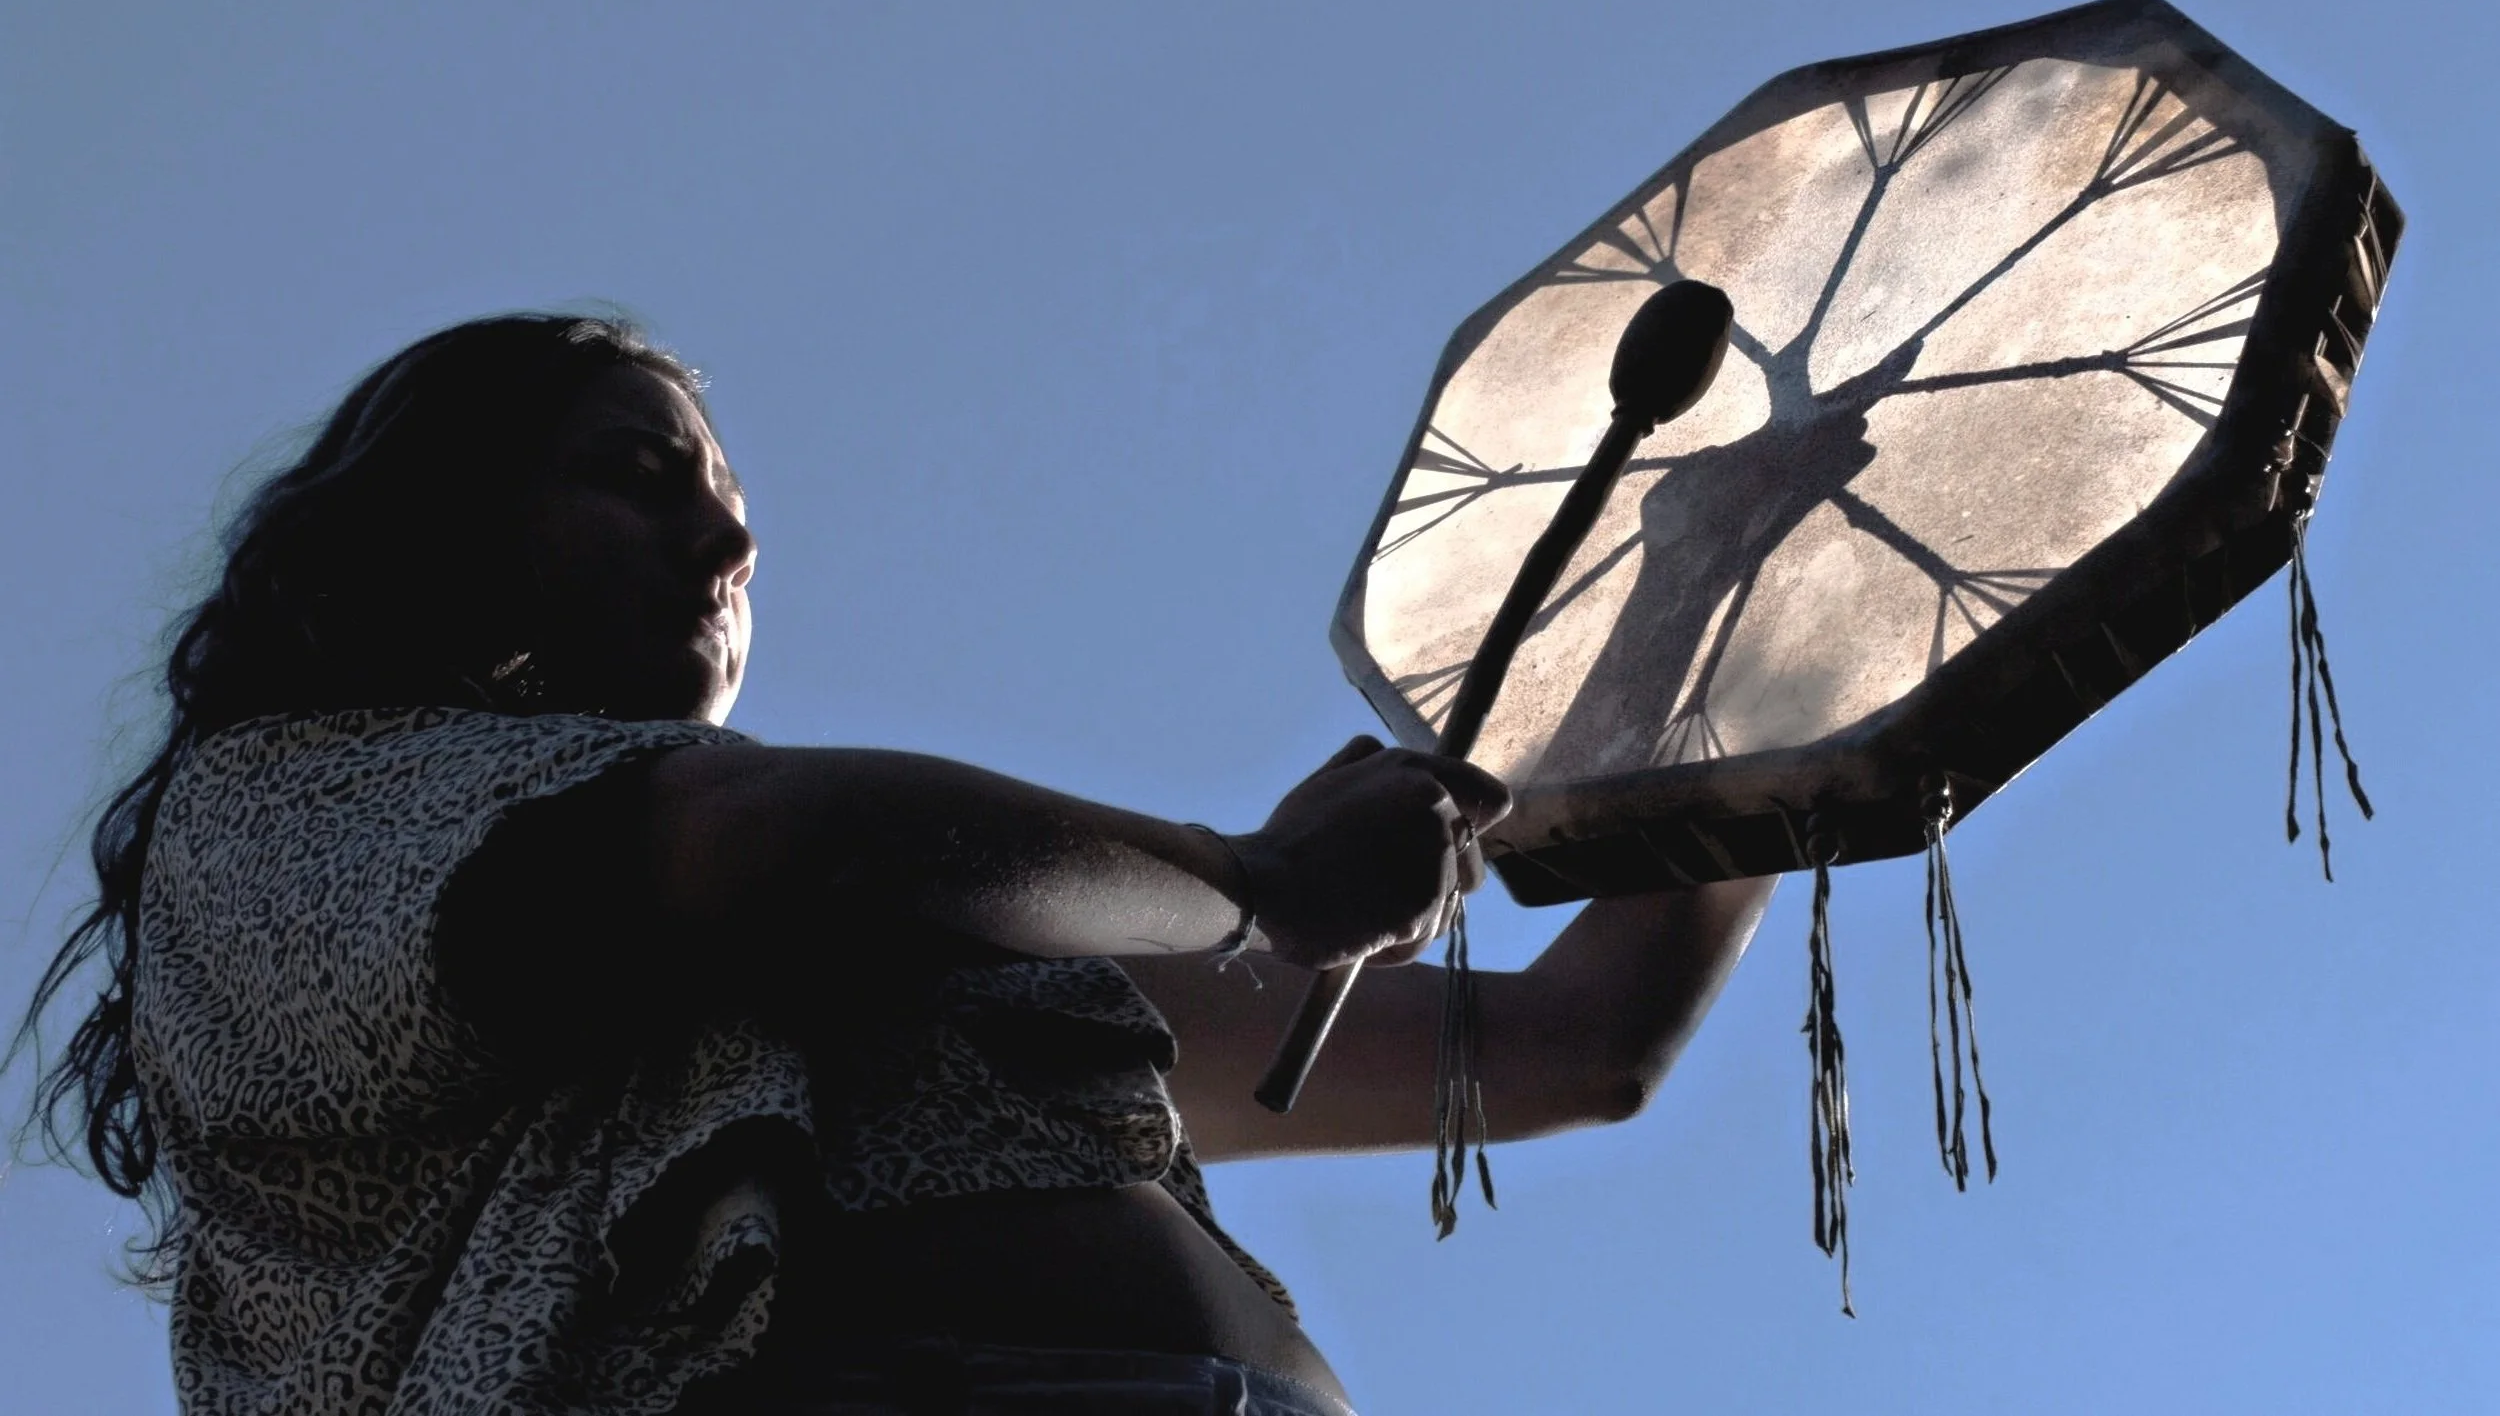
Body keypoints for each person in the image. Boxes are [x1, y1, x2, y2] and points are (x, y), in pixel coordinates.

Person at [16, 315, 1776, 1416]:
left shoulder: (913, 993)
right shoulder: (283, 812)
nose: (732, 534)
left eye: (724, 492)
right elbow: (801, 842)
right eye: (638, 478)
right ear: (438, 539)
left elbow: (1573, 1047)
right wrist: (1255, 882)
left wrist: (1731, 624)